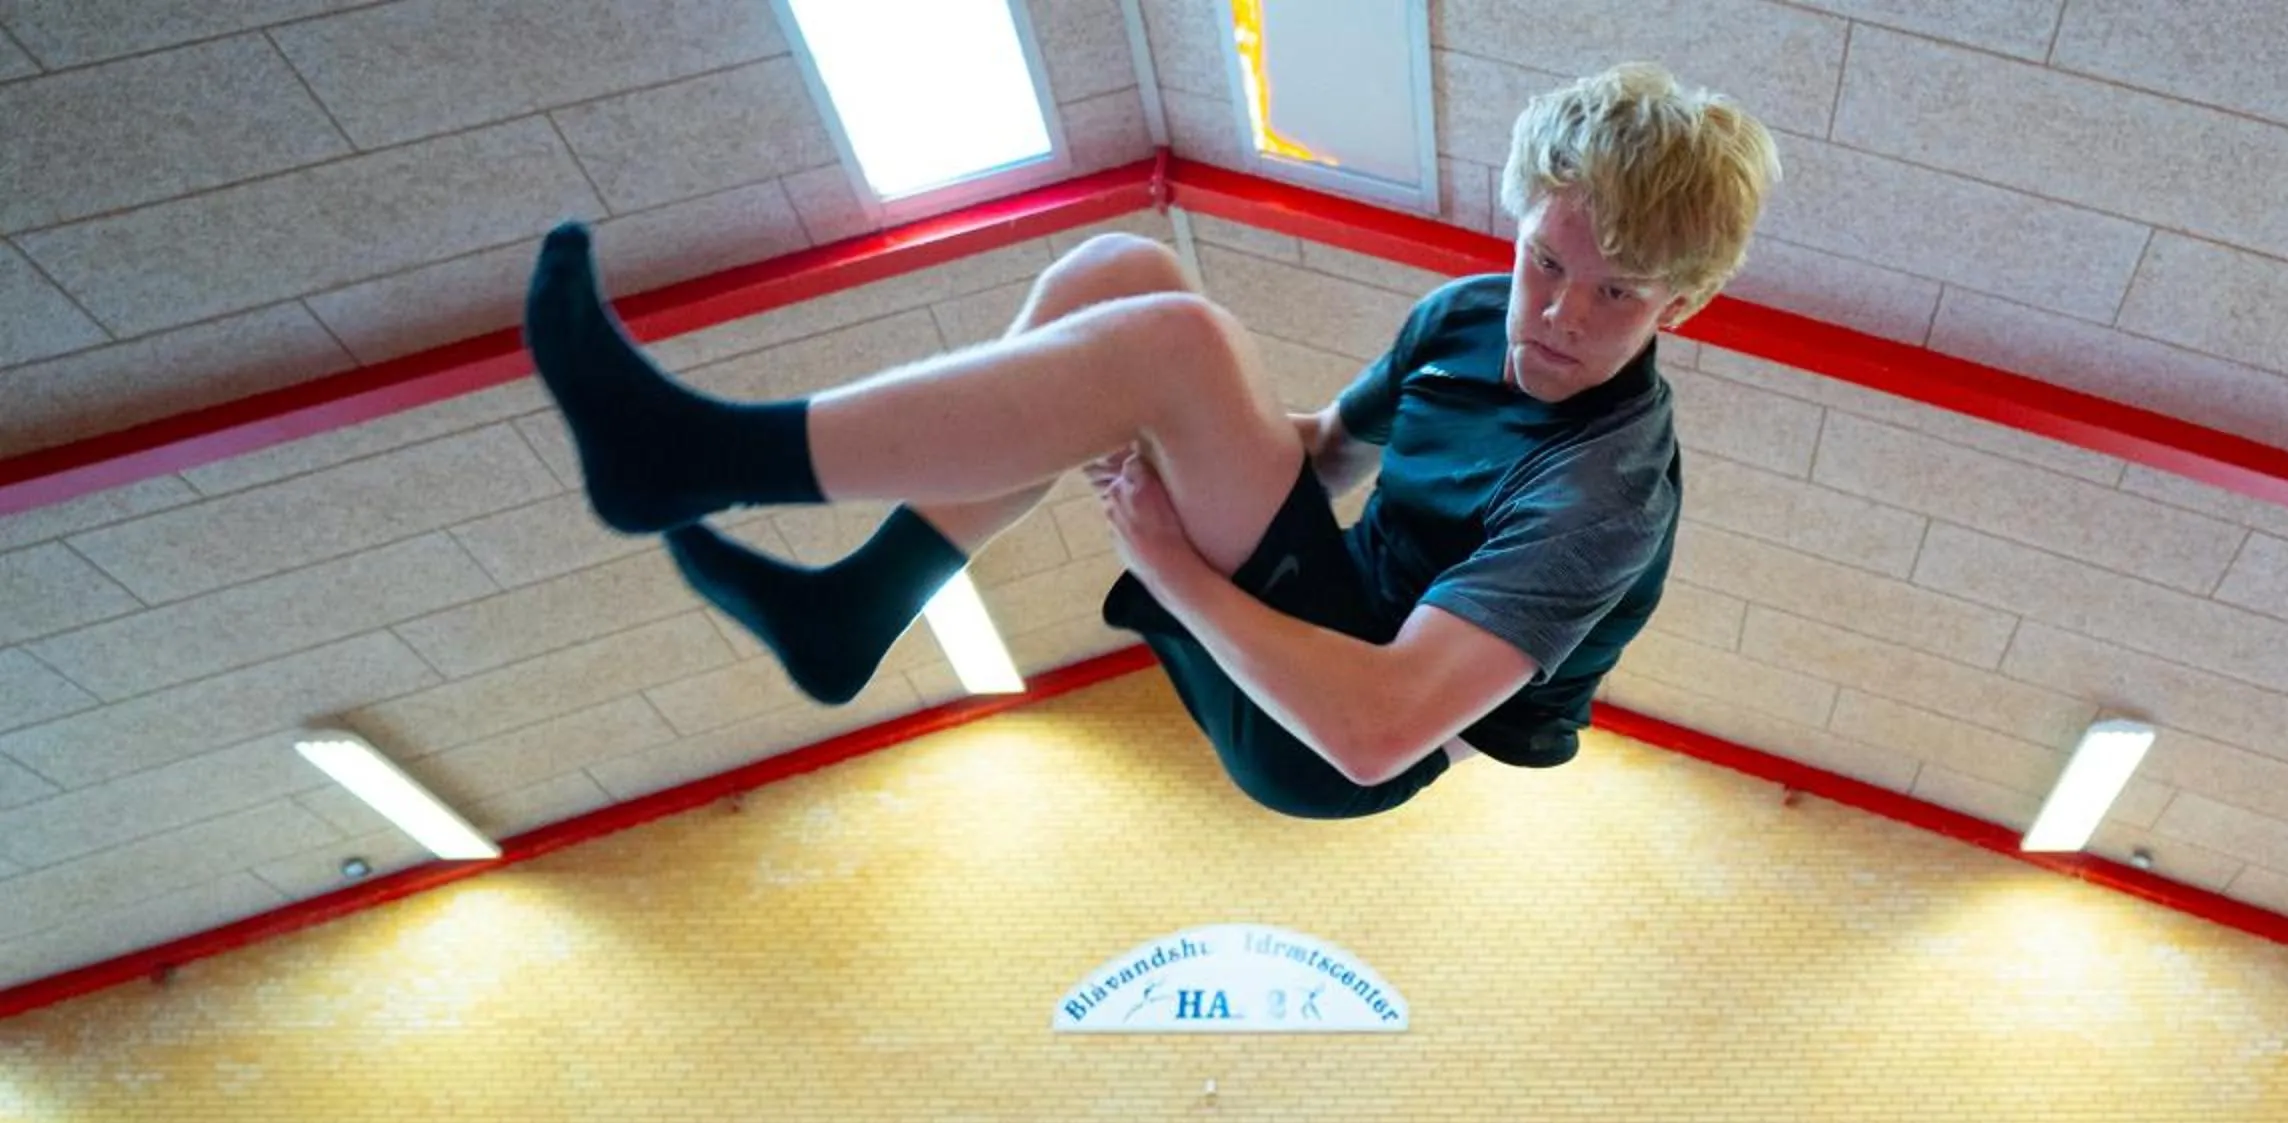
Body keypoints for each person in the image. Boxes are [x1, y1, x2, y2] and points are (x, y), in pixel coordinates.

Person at [517, 64, 1778, 819]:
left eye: (1612, 295)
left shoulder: (1606, 495)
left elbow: (1376, 729)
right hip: (1321, 608)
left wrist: (1171, 556)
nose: (1554, 316)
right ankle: (857, 605)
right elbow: (1329, 450)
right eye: (1544, 261)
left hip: (1336, 732)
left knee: (1170, 346)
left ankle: (700, 455)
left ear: (1682, 305)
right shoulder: (1459, 318)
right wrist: (1124, 414)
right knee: (1119, 275)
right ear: (1517, 226)